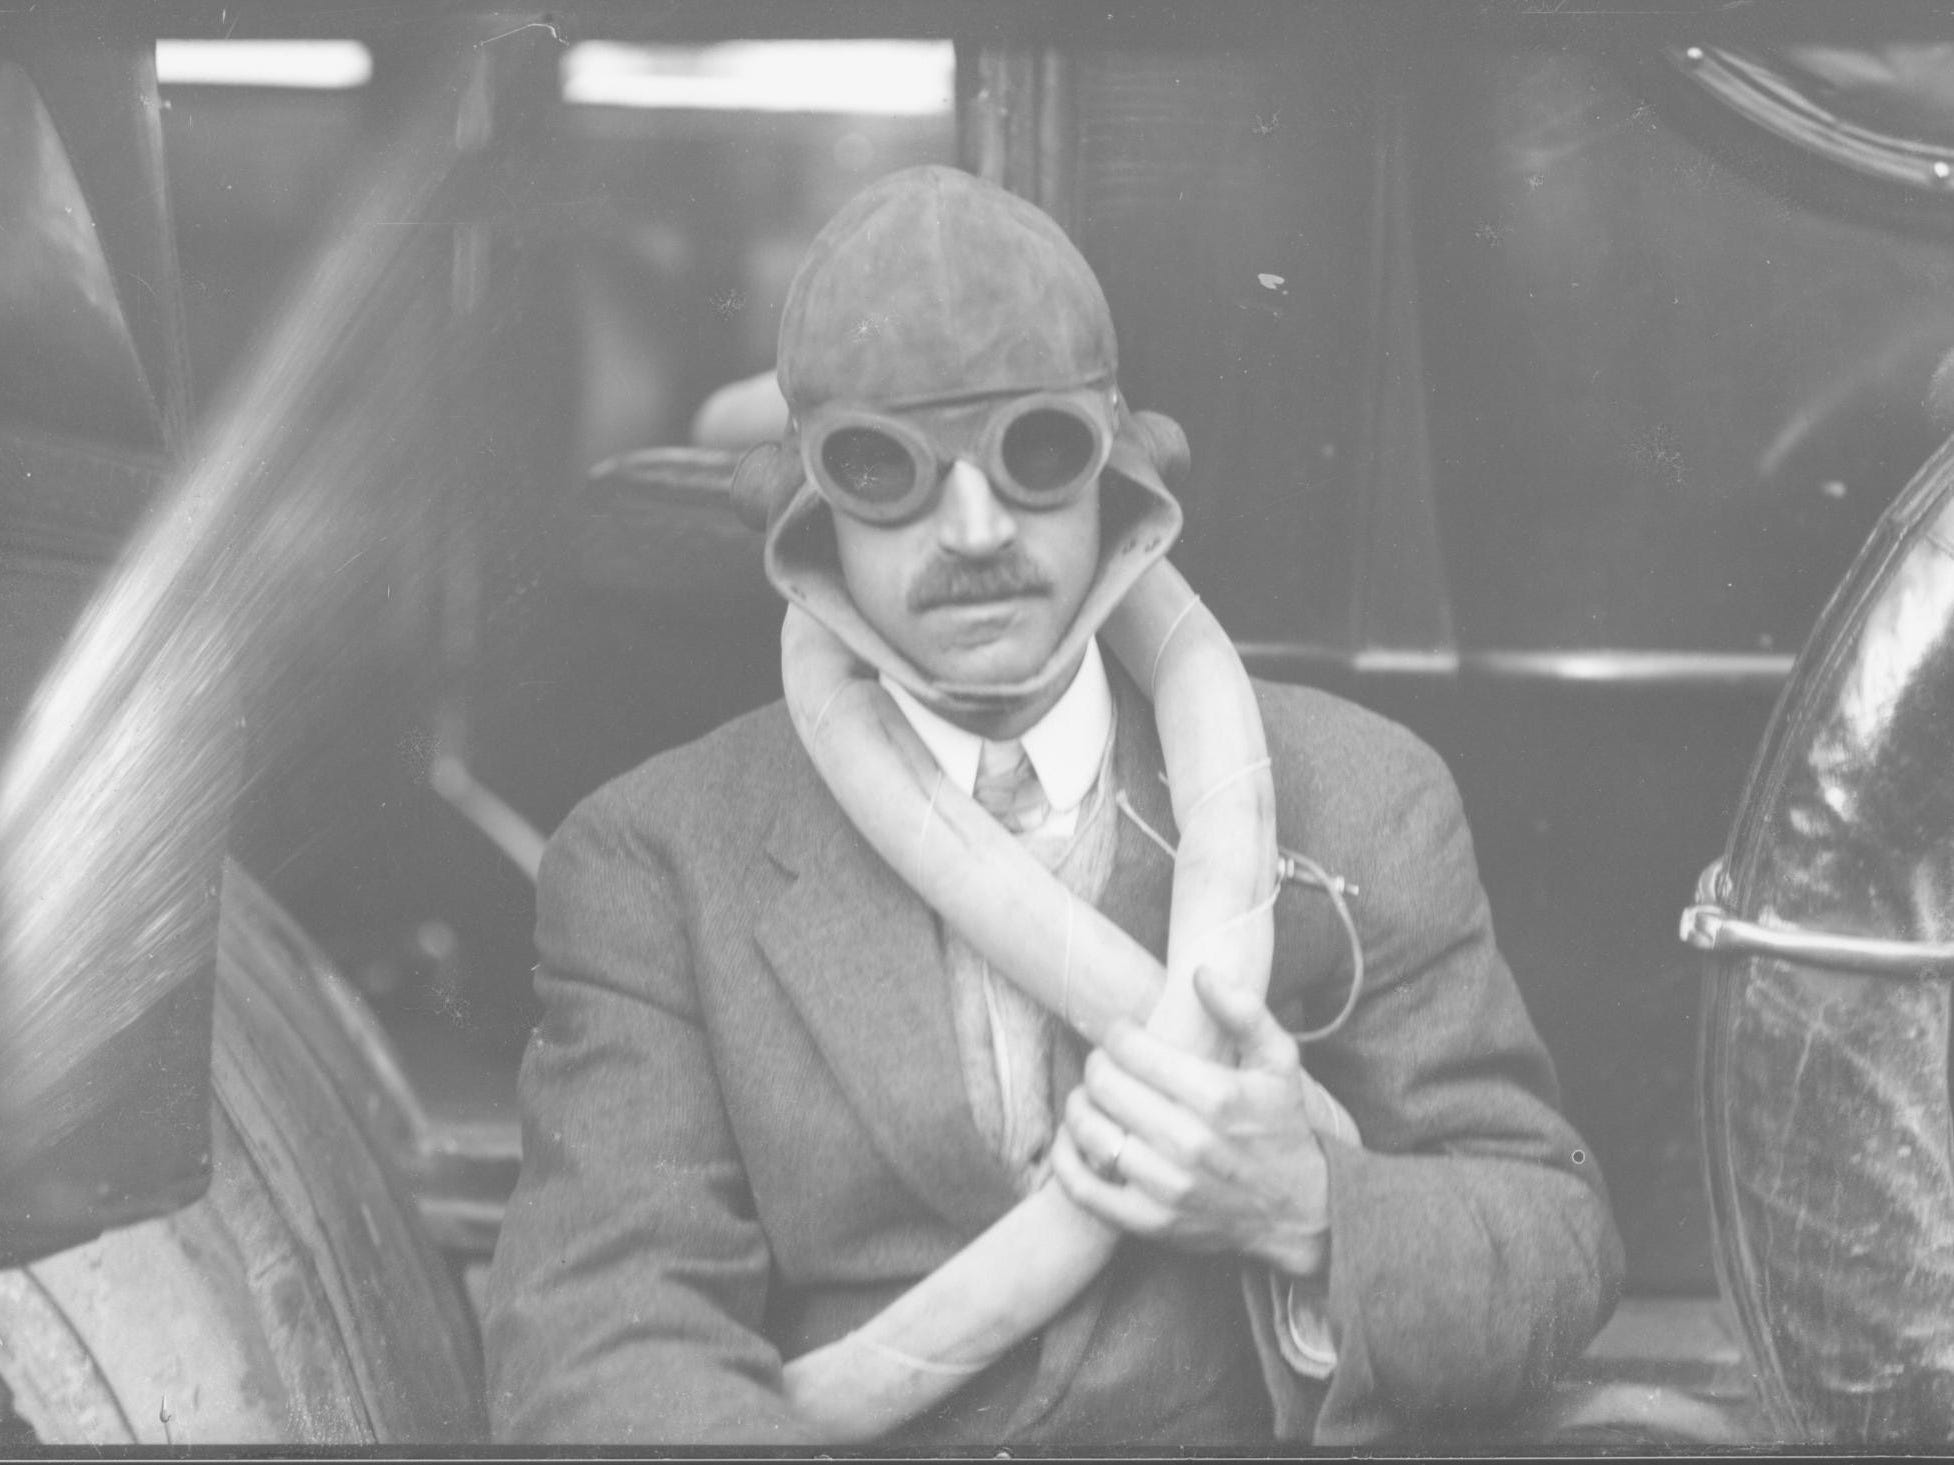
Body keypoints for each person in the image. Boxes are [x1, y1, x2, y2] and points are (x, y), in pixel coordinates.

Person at [483, 164, 1623, 1448]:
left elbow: (1554, 1238)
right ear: (813, 515)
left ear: (1114, 474)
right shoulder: (661, 862)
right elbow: (607, 1333)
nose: (973, 529)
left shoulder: (1359, 794)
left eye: (1034, 452)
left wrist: (1303, 1203)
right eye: (889, 470)